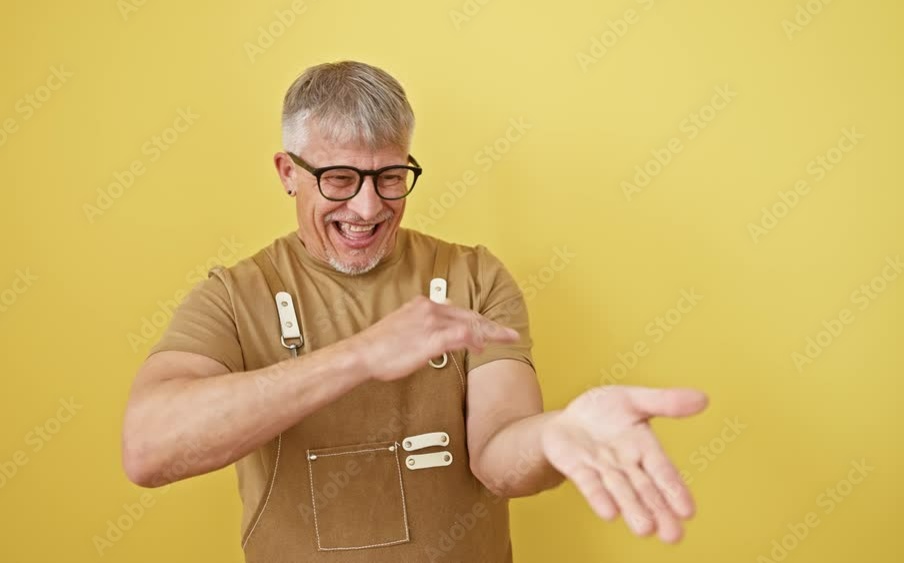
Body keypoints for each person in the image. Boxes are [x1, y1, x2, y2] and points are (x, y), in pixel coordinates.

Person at [121, 60, 708, 562]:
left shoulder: (472, 276)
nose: (369, 206)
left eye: (391, 177)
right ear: (287, 174)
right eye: (340, 178)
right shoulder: (233, 295)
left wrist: (556, 435)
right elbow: (148, 449)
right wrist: (359, 356)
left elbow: (501, 453)